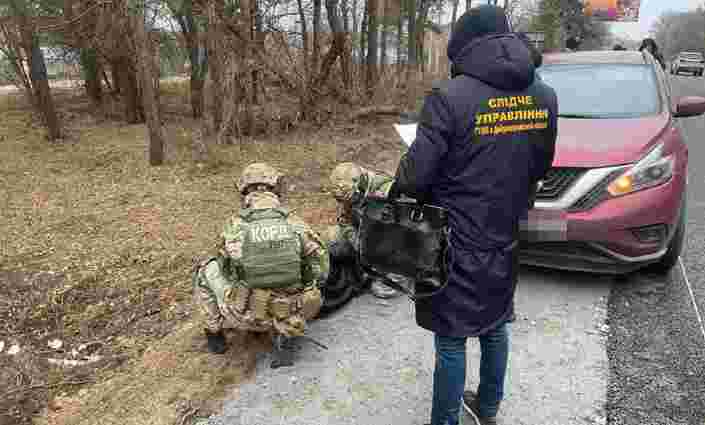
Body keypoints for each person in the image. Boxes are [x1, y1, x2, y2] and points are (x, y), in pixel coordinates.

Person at [387, 5, 558, 425]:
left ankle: (445, 420)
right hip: (506, 232)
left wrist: (404, 179)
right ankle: (487, 408)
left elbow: (415, 178)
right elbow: (541, 165)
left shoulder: (450, 97)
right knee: (495, 323)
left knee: (451, 339)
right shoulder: (544, 95)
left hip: (453, 238)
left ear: (463, 48)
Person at [193, 163, 328, 366]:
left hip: (248, 316)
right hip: (298, 311)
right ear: (275, 188)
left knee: (206, 270)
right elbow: (322, 270)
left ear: (244, 190)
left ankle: (215, 336)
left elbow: (226, 269)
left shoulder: (235, 226)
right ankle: (285, 332)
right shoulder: (296, 223)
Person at [326, 162, 402, 299]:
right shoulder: (350, 191)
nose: (345, 201)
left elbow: (396, 232)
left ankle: (389, 278)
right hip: (367, 232)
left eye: (349, 197)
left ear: (360, 184)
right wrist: (356, 242)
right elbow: (345, 221)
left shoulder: (386, 191)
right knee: (333, 237)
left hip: (393, 235)